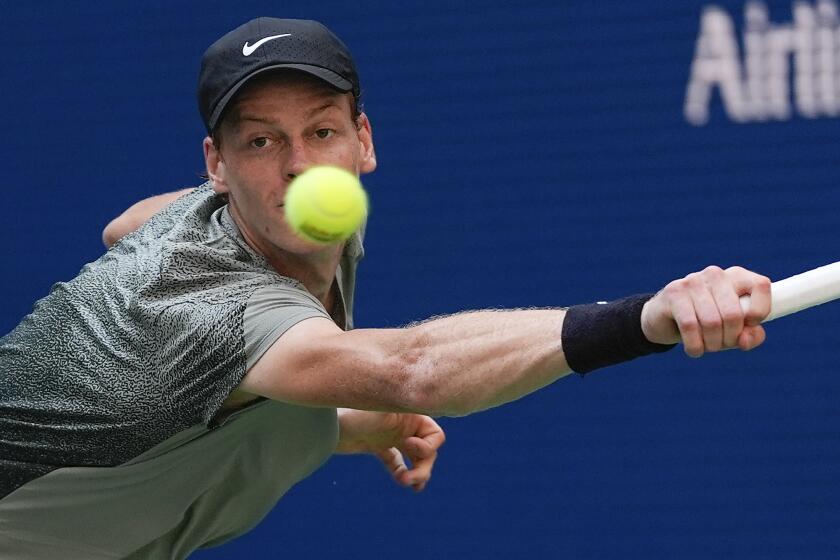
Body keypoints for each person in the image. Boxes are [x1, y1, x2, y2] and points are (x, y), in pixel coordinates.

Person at [0, 16, 772, 560]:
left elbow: (121, 226)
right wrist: (652, 318)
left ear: (362, 142)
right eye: (261, 141)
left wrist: (340, 426)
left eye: (322, 131)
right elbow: (413, 368)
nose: (300, 166)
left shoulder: (261, 218)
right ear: (217, 163)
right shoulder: (212, 306)